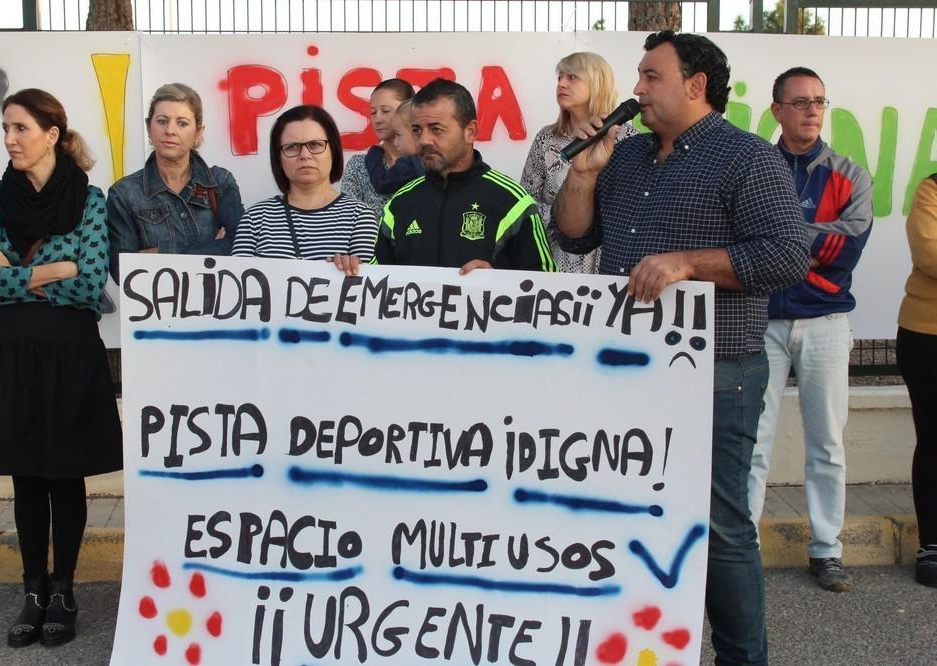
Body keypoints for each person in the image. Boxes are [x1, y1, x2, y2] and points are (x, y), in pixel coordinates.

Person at [552, 32, 807, 665]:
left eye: (650, 76)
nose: (636, 88)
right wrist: (583, 176)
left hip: (717, 373)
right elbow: (574, 235)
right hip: (628, 371)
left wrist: (688, 263)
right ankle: (640, 648)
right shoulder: (628, 155)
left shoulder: (747, 158)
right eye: (639, 76)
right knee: (628, 516)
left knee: (720, 530)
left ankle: (742, 659)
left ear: (695, 85)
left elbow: (785, 255)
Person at [0, 89, 122, 648]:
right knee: (26, 474)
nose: (9, 138)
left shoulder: (91, 199)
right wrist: (56, 269)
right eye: (6, 127)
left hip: (70, 352)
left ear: (52, 133)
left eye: (21, 127)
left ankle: (65, 592)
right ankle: (32, 591)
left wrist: (20, 275)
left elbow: (91, 283)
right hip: (10, 350)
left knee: (66, 474)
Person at [747, 67, 873, 594]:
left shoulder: (850, 174)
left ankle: (827, 549)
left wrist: (786, 239)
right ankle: (743, 547)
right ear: (776, 110)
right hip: (764, 320)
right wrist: (804, 243)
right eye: (800, 102)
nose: (812, 110)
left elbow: (848, 250)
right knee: (754, 441)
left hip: (825, 321)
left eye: (819, 101)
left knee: (827, 442)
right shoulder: (753, 169)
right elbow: (748, 243)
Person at [333, 78, 555, 275]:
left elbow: (547, 287)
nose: (424, 140)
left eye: (436, 129)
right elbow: (375, 280)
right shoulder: (398, 204)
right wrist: (351, 268)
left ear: (470, 131)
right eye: (417, 130)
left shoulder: (512, 200)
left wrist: (497, 281)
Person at [106, 82, 242, 282]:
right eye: (162, 121)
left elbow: (240, 248)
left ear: (198, 132)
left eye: (182, 123)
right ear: (148, 127)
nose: (170, 130)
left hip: (218, 307)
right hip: (157, 309)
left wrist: (161, 253)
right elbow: (122, 270)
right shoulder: (124, 193)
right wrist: (211, 249)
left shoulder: (220, 182)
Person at [520, 51, 637, 273]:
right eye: (559, 78)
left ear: (597, 82)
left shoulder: (630, 139)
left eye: (572, 77)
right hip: (558, 266)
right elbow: (526, 203)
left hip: (614, 268)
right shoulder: (546, 139)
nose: (562, 83)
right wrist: (562, 217)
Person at [231, 104, 377, 260]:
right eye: (292, 147)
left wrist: (351, 270)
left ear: (333, 151)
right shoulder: (255, 218)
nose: (305, 155)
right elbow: (236, 282)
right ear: (278, 157)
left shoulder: (360, 216)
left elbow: (367, 280)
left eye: (315, 145)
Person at [897, 173, 937, 588]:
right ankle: (933, 545)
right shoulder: (932, 190)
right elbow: (931, 255)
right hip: (928, 336)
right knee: (933, 439)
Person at [340, 79, 418, 218]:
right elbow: (347, 218)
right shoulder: (358, 166)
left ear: (409, 110)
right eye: (373, 112)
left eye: (386, 110)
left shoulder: (428, 162)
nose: (377, 119)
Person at [364, 99, 424, 197]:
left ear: (416, 132)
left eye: (398, 135)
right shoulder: (440, 159)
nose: (395, 142)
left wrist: (374, 153)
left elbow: (381, 184)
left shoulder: (408, 164)